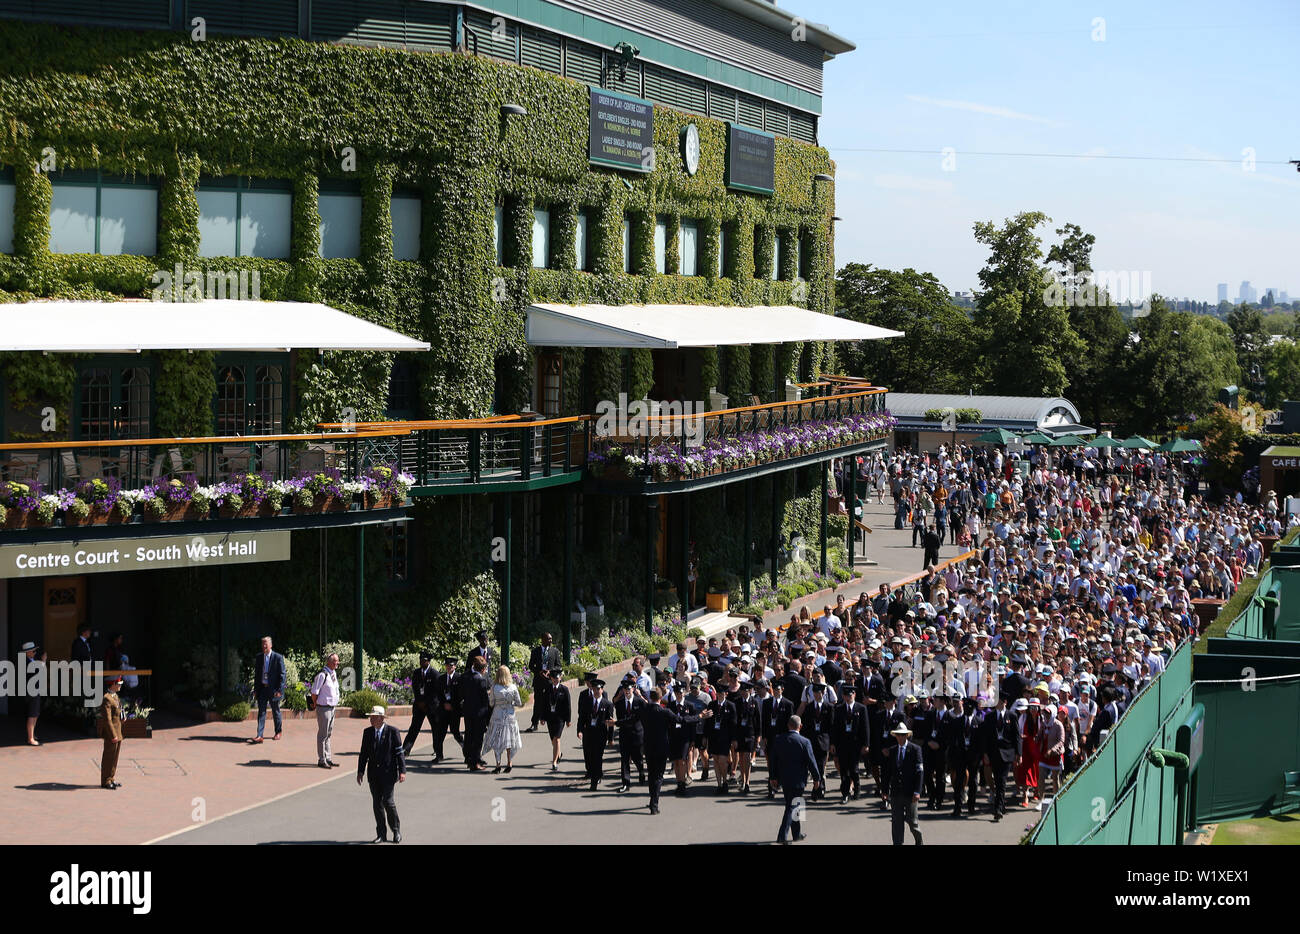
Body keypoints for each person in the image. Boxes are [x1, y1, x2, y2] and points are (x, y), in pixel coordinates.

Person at [639, 688, 708, 814]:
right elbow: (682, 720)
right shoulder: (664, 711)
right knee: (658, 776)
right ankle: (654, 804)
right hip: (661, 748)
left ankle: (652, 800)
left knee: (651, 774)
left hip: (648, 748)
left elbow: (632, 719)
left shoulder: (644, 710)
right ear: (660, 698)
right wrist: (699, 716)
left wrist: (616, 722)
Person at [357, 706, 406, 844]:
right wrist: (360, 771)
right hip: (373, 775)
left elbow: (399, 753)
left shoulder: (393, 732)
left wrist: (402, 771)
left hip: (388, 774)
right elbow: (363, 754)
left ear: (380, 718)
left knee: (388, 802)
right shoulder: (367, 733)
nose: (370, 719)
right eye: (370, 717)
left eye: (373, 717)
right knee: (377, 804)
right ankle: (381, 834)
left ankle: (396, 830)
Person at [768, 714, 820, 844]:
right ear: (800, 726)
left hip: (784, 778)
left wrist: (773, 777)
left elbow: (772, 760)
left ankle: (797, 833)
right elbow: (811, 762)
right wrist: (817, 778)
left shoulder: (779, 739)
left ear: (788, 725)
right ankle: (782, 836)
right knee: (792, 806)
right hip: (798, 779)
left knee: (795, 805)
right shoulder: (804, 741)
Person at [983, 699, 1021, 821]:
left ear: (1005, 702)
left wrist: (1018, 753)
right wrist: (985, 753)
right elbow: (986, 736)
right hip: (994, 753)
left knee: (1002, 780)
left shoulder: (1012, 716)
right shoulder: (989, 716)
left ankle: (998, 808)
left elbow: (1016, 735)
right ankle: (1000, 805)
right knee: (997, 779)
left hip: (1007, 752)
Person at [830, 683, 869, 804]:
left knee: (854, 769)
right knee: (843, 770)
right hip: (842, 744)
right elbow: (834, 728)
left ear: (854, 695)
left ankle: (857, 789)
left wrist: (866, 744)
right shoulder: (839, 708)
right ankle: (845, 793)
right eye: (846, 695)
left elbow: (865, 727)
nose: (848, 697)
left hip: (855, 744)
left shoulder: (861, 708)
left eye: (850, 695)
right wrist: (833, 744)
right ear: (843, 696)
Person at [887, 723, 924, 845]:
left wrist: (917, 791)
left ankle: (919, 841)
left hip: (910, 793)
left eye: (903, 735)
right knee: (897, 822)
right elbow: (887, 772)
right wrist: (884, 790)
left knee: (912, 822)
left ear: (907, 736)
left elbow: (919, 772)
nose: (901, 737)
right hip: (896, 793)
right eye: (898, 735)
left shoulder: (915, 749)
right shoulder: (892, 751)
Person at [483, 665, 524, 773]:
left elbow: (491, 703)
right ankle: (509, 762)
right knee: (509, 740)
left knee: (497, 740)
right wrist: (510, 703)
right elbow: (519, 703)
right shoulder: (513, 687)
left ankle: (498, 765)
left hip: (497, 715)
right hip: (510, 715)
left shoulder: (494, 687)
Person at [577, 678, 614, 791]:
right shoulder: (587, 701)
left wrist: (610, 738)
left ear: (602, 690)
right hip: (588, 733)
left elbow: (610, 722)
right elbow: (581, 718)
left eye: (598, 689)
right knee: (590, 756)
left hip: (600, 734)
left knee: (597, 757)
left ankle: (594, 781)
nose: (596, 691)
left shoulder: (607, 704)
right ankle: (596, 774)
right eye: (594, 689)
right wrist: (579, 730)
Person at [612, 675, 645, 792]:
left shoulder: (639, 701)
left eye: (629, 689)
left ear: (633, 689)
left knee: (637, 757)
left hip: (637, 733)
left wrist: (616, 723)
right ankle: (626, 783)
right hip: (625, 734)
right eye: (625, 690)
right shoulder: (620, 703)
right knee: (624, 758)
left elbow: (636, 718)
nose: (627, 691)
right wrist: (618, 723)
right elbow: (620, 718)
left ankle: (641, 771)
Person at [251, 636, 286, 744]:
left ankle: (278, 732)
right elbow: (257, 675)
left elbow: (282, 675)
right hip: (262, 689)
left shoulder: (278, 657)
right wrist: (256, 690)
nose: (264, 646)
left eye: (266, 644)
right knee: (261, 712)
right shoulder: (259, 657)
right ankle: (259, 735)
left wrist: (279, 689)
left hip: (274, 690)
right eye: (262, 644)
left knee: (276, 712)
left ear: (271, 645)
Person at [402, 652, 438, 756]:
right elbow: (415, 688)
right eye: (420, 660)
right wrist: (419, 702)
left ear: (428, 661)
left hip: (431, 706)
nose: (422, 662)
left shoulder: (434, 673)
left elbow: (435, 691)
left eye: (424, 660)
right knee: (414, 727)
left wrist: (426, 703)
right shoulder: (416, 673)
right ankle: (406, 749)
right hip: (419, 705)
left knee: (435, 728)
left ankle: (437, 749)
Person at [310, 653, 342, 768]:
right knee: (323, 734)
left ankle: (328, 758)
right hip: (323, 708)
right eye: (335, 661)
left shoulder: (333, 673)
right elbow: (314, 693)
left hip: (332, 708)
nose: (337, 663)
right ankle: (321, 759)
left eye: (338, 661)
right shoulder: (322, 675)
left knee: (328, 734)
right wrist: (315, 704)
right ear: (329, 662)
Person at [525, 633, 561, 732]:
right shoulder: (535, 651)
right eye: (549, 639)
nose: (551, 641)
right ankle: (534, 723)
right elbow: (531, 665)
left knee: (551, 702)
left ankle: (551, 723)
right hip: (539, 680)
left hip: (550, 681)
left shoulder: (555, 651)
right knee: (538, 702)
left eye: (551, 639)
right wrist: (539, 671)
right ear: (543, 640)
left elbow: (558, 666)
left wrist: (550, 671)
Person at [460, 657, 491, 771]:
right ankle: (475, 762)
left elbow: (462, 693)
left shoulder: (465, 676)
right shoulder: (481, 680)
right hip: (479, 712)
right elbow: (484, 698)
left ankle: (468, 758)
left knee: (469, 735)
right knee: (478, 738)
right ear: (482, 669)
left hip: (468, 711)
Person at [433, 656, 463, 762]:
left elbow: (461, 695)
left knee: (455, 732)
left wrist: (453, 705)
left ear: (454, 666)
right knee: (440, 733)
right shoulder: (441, 679)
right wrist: (443, 704)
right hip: (443, 709)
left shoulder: (459, 678)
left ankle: (466, 752)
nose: (448, 667)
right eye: (447, 665)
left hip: (454, 710)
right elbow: (437, 694)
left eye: (451, 665)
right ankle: (439, 755)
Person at [97, 675, 124, 789]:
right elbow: (107, 719)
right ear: (112, 684)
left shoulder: (115, 696)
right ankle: (106, 781)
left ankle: (111, 778)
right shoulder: (107, 698)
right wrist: (113, 735)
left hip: (118, 731)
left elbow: (119, 709)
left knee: (114, 758)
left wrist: (123, 715)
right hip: (111, 733)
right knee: (109, 757)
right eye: (118, 683)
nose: (120, 685)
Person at [542, 668, 570, 771]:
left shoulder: (564, 690)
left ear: (560, 678)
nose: (555, 680)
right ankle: (559, 753)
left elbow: (568, 706)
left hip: (560, 718)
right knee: (553, 740)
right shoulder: (548, 689)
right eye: (553, 678)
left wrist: (568, 720)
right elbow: (544, 704)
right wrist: (542, 717)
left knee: (557, 739)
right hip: (550, 718)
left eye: (557, 678)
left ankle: (554, 762)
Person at [21, 642, 43, 746]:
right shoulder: (26, 662)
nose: (35, 653)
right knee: (32, 714)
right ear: (28, 652)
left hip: (36, 690)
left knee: (35, 714)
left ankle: (32, 734)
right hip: (31, 691)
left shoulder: (31, 661)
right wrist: (43, 662)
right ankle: (30, 738)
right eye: (33, 651)